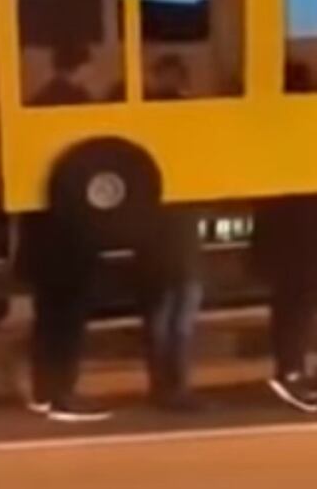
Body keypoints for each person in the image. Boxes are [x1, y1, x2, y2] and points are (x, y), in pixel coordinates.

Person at [17, 42, 112, 422]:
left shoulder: (37, 103)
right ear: (83, 66)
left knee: (47, 318)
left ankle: (44, 391)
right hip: (70, 230)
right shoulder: (79, 104)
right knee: (68, 319)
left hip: (39, 230)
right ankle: (63, 393)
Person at [250, 61, 317, 413]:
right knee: (301, 304)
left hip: (277, 226)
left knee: (287, 303)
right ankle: (290, 372)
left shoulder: (268, 125)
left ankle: (289, 369)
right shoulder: (312, 127)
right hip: (305, 229)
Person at [126, 53, 206, 411]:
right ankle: (178, 387)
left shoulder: (141, 119)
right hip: (181, 230)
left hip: (152, 233)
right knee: (180, 321)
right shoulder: (191, 121)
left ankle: (161, 386)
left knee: (159, 320)